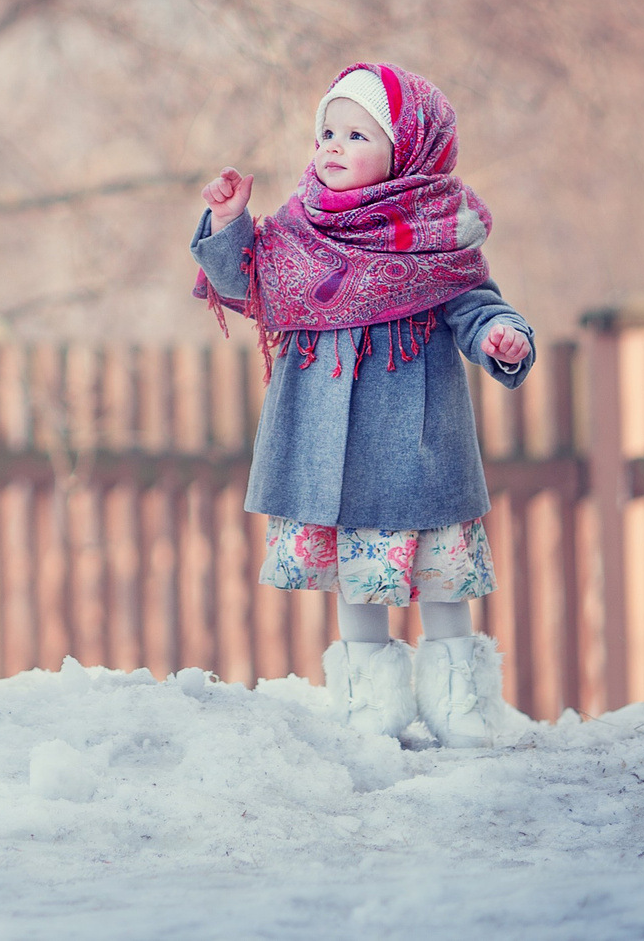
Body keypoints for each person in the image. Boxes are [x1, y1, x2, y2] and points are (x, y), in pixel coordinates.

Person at [192, 63, 533, 746]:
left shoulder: (439, 235)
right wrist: (229, 222)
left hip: (418, 443)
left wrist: (502, 337)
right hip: (334, 446)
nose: (333, 145)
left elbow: (475, 303)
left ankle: (456, 699)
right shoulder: (298, 230)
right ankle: (370, 700)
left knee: (441, 578)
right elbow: (247, 280)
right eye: (326, 130)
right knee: (359, 575)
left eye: (357, 132)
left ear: (410, 148)